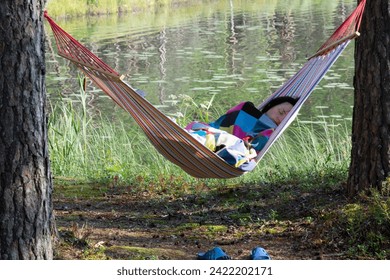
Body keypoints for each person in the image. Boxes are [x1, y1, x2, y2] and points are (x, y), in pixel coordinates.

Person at [185, 96, 298, 171]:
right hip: (217, 132)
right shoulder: (246, 109)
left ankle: (197, 140)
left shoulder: (269, 132)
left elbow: (252, 146)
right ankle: (195, 139)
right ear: (270, 106)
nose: (281, 118)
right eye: (281, 111)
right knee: (202, 129)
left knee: (220, 140)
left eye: (286, 117)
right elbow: (224, 122)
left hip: (231, 145)